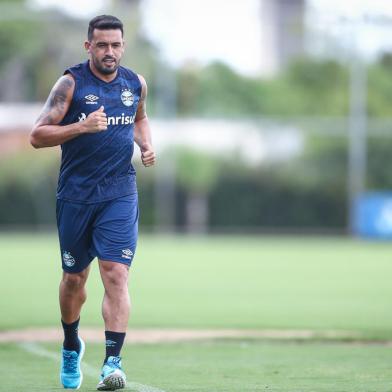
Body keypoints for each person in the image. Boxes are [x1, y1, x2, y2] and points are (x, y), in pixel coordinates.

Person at [30, 15, 155, 390]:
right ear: (89, 47)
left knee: (116, 273)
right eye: (102, 45)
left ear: (123, 45)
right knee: (74, 279)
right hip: (76, 195)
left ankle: (112, 364)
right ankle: (71, 345)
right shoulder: (71, 84)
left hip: (119, 192)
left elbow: (140, 118)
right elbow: (37, 135)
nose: (110, 52)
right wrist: (79, 127)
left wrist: (146, 143)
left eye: (116, 45)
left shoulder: (136, 83)